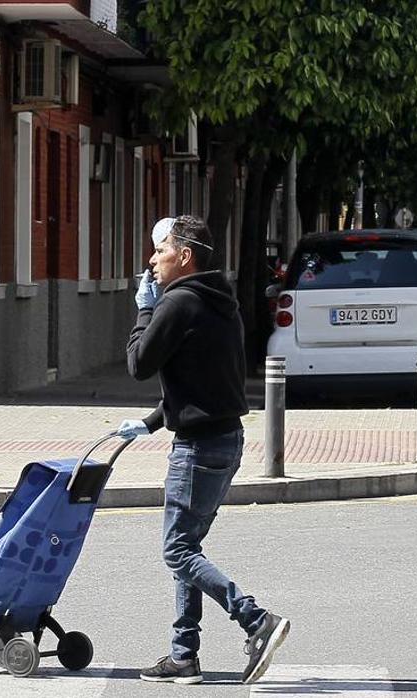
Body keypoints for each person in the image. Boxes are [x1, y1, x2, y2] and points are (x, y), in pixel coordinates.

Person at [119, 215, 290, 686]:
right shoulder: (220, 301)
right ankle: (183, 655)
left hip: (197, 449)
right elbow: (205, 377)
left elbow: (138, 363)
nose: (152, 261)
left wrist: (143, 312)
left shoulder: (176, 304)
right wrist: (153, 422)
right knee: (188, 548)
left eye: (161, 251)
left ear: (185, 256)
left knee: (177, 551)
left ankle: (256, 621)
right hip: (225, 439)